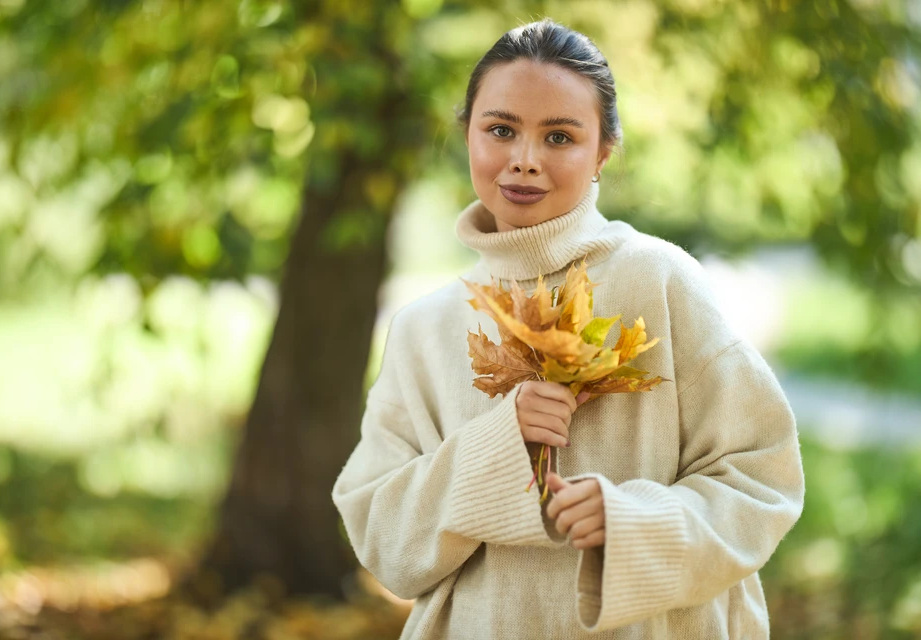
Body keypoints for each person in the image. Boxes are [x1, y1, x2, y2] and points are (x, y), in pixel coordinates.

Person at [332, 17, 804, 640]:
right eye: (500, 130)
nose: (524, 161)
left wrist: (631, 522)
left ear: (603, 151)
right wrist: (499, 448)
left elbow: (762, 479)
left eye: (559, 136)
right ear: (467, 135)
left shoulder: (658, 280)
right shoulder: (424, 327)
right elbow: (379, 533)